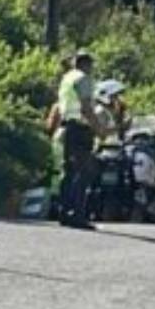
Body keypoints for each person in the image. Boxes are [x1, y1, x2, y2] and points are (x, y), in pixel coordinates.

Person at [49, 51, 101, 229]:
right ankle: (78, 214)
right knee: (85, 171)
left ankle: (64, 211)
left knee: (69, 170)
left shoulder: (66, 78)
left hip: (68, 127)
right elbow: (86, 106)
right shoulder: (83, 78)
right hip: (80, 128)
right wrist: (98, 127)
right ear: (86, 64)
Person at [94, 79, 129, 145]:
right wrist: (121, 127)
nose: (119, 98)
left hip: (118, 147)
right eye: (115, 96)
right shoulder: (101, 111)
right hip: (105, 150)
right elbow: (101, 133)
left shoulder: (116, 111)